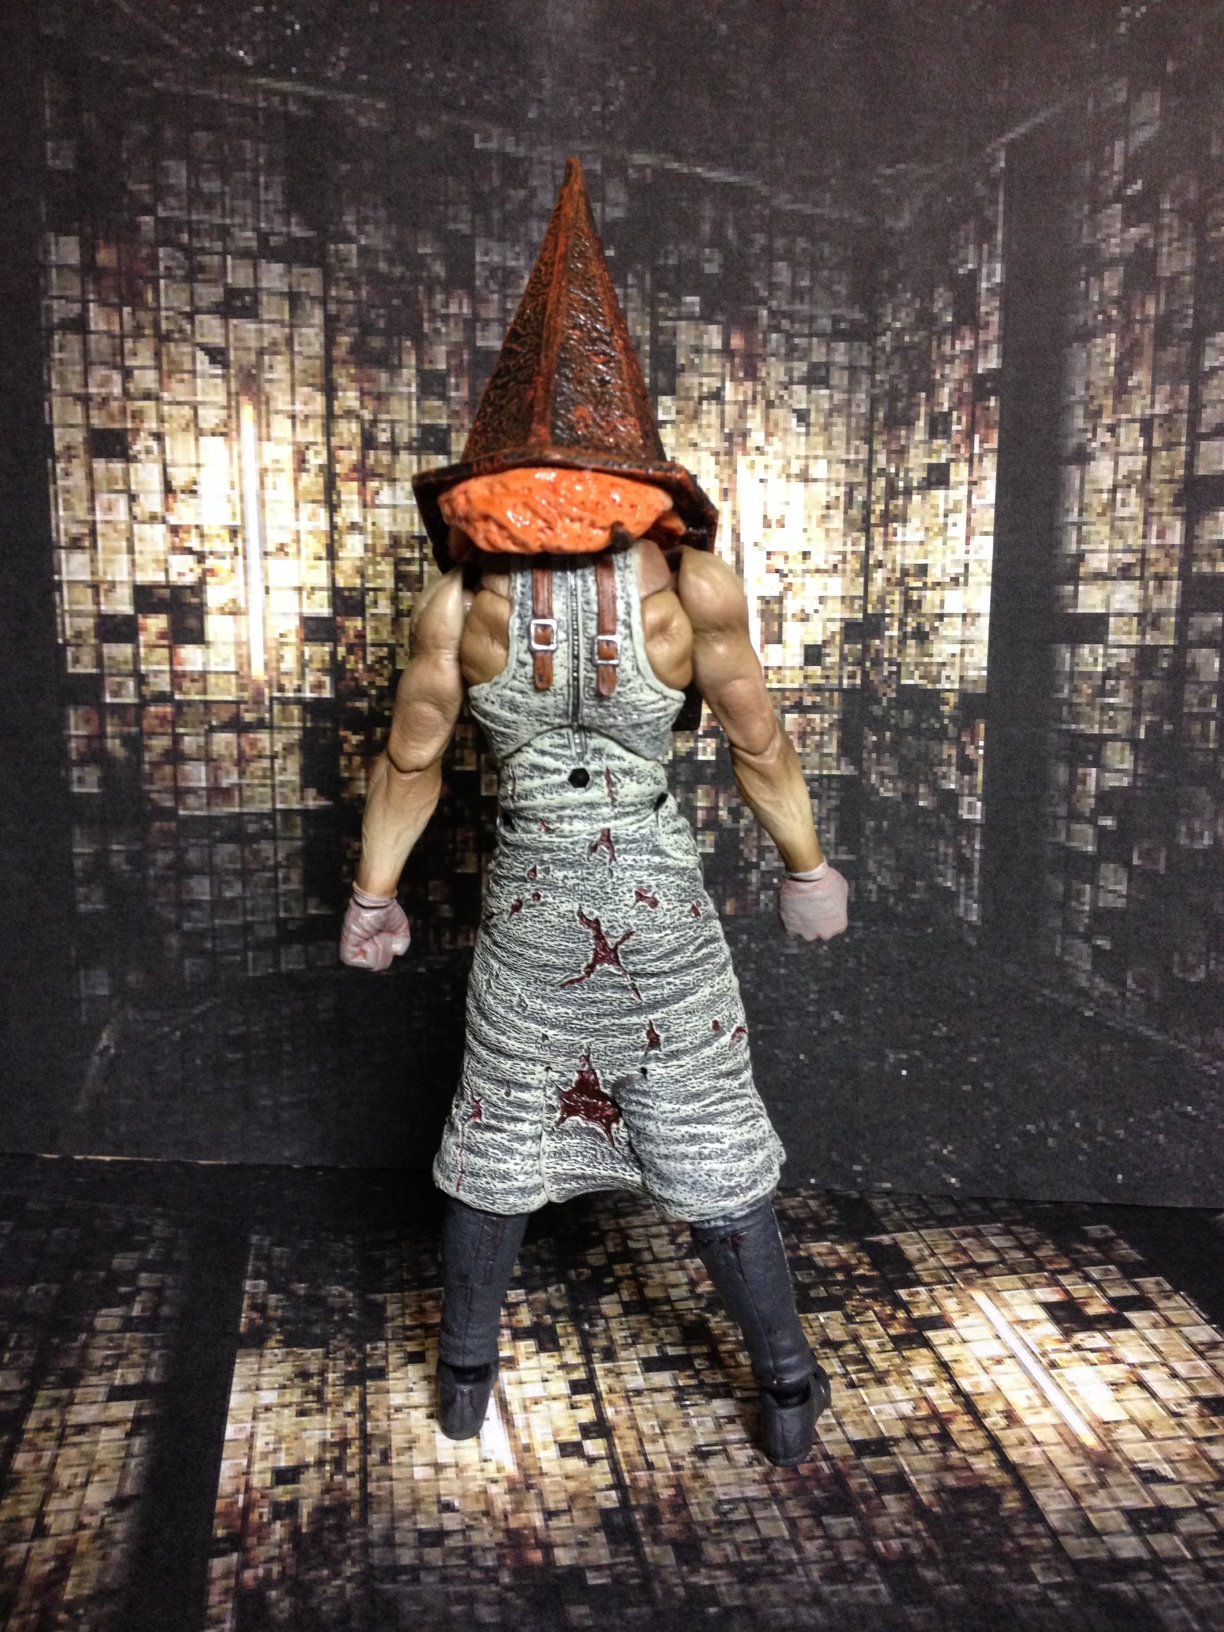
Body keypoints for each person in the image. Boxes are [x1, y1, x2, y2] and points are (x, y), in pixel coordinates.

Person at [340, 159, 848, 1467]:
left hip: (531, 911)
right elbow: (758, 739)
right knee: (709, 1138)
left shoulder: (463, 600)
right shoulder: (693, 587)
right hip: (656, 905)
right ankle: (787, 1390)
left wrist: (374, 896)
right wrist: (806, 867)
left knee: (499, 1132)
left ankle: (465, 1386)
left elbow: (410, 762)